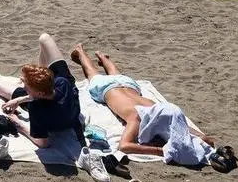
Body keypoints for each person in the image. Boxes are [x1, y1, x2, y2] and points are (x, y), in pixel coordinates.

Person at [70, 44, 218, 161]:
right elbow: (124, 146)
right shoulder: (139, 116)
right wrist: (161, 151)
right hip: (117, 87)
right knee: (94, 73)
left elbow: (181, 126)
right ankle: (84, 52)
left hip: (124, 86)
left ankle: (97, 55)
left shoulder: (152, 112)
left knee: (109, 74)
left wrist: (203, 138)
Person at [0, 34, 85, 149]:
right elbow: (45, 95)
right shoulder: (62, 83)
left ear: (39, 94)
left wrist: (18, 124)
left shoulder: (36, 108)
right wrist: (19, 100)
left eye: (26, 86)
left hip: (56, 119)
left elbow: (43, 143)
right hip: (69, 115)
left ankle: (36, 80)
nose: (24, 88)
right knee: (44, 38)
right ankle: (38, 77)